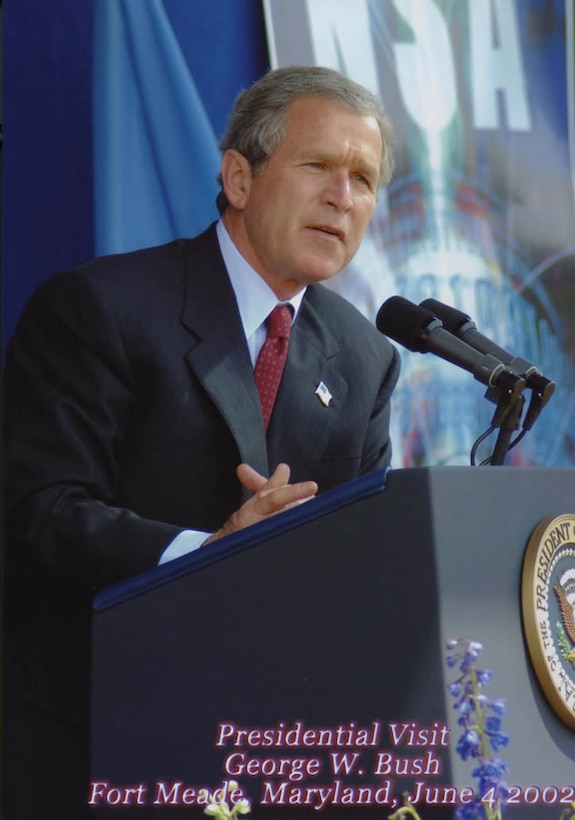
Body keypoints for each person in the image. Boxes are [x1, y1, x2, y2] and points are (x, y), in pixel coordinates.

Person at [3, 65, 399, 818]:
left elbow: (359, 551)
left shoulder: (365, 356)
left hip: (265, 756)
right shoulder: (101, 309)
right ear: (239, 178)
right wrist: (207, 553)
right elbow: (37, 511)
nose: (341, 197)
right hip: (90, 741)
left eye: (362, 179)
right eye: (317, 166)